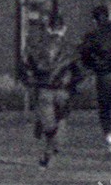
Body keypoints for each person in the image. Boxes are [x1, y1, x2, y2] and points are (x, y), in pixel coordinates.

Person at [22, 17, 81, 167]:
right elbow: (79, 71)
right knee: (61, 118)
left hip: (44, 88)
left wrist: (31, 80)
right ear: (64, 28)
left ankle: (49, 147)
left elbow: (28, 64)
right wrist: (73, 84)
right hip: (63, 89)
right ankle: (53, 146)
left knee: (49, 122)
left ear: (48, 29)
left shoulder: (39, 47)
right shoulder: (71, 48)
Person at [78, 6, 111, 155]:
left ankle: (110, 139)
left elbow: (85, 55)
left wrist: (91, 67)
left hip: (104, 75)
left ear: (94, 20)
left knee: (104, 108)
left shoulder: (93, 36)